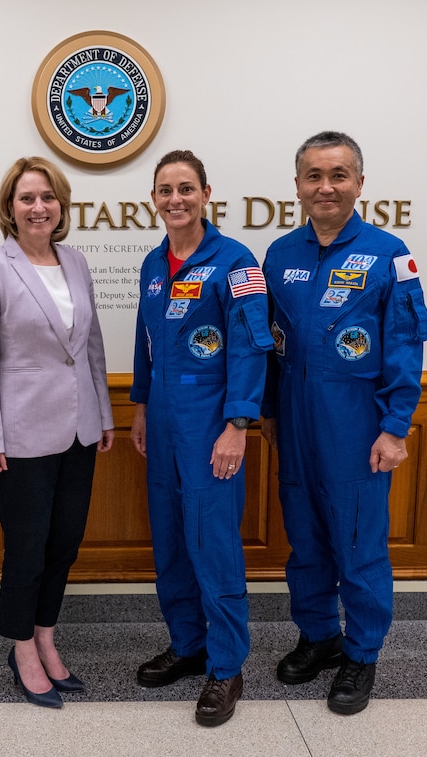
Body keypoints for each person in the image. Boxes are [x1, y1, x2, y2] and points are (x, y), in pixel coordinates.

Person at [262, 131, 427, 716]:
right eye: (314, 176)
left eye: (338, 175)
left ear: (360, 182)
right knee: (305, 540)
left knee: (358, 544)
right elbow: (267, 346)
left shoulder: (389, 254)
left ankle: (361, 652)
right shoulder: (279, 256)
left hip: (358, 425)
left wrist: (395, 426)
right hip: (294, 422)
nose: (325, 186)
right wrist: (267, 416)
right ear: (298, 186)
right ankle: (319, 637)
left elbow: (406, 344)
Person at [0, 157, 114, 709]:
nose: (38, 207)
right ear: (9, 208)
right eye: (27, 198)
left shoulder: (75, 262)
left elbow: (90, 347)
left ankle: (47, 637)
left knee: (64, 544)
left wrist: (104, 415)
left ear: (61, 206)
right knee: (27, 549)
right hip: (19, 435)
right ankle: (21, 647)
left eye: (47, 197)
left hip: (80, 430)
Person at [129, 149, 274, 728]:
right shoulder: (151, 264)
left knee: (212, 543)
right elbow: (145, 341)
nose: (176, 200)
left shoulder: (235, 261)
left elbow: (250, 346)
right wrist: (140, 407)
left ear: (206, 194)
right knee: (169, 538)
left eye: (186, 189)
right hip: (163, 416)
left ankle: (227, 664)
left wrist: (237, 425)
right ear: (154, 200)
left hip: (212, 417)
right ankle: (188, 644)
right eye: (165, 190)